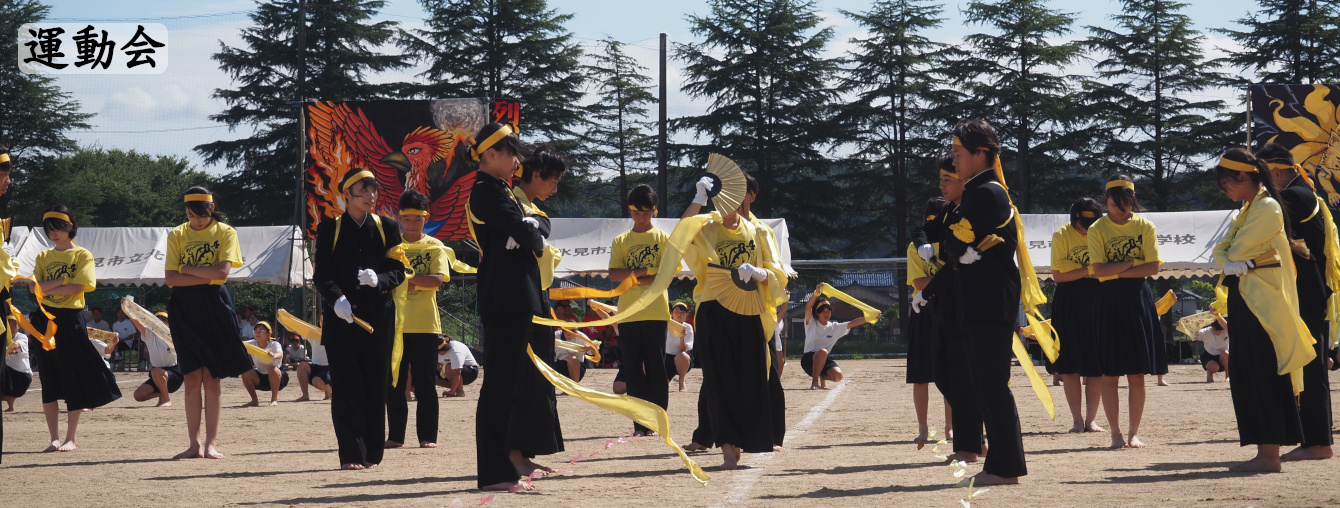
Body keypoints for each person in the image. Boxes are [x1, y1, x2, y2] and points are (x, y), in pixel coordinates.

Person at [915, 120, 1030, 485]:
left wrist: (953, 244)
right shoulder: (981, 192)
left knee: (993, 384)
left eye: (960, 154)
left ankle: (1005, 466)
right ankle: (998, 462)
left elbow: (952, 242)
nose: (955, 161)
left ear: (981, 154)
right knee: (984, 383)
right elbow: (953, 243)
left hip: (988, 300)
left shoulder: (987, 193)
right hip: (978, 299)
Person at [1211, 147, 1316, 472]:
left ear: (1244, 177)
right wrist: (1230, 261)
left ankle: (1269, 456)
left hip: (1264, 306)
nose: (1225, 189)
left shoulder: (1268, 207)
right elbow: (1220, 250)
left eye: (1227, 182)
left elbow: (1236, 247)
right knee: (1247, 374)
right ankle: (1263, 453)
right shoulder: (1247, 209)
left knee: (1264, 373)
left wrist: (1232, 259)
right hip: (1247, 299)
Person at [678, 171, 787, 470]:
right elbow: (680, 236)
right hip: (714, 310)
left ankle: (753, 439)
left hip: (750, 309)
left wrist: (762, 274)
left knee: (753, 378)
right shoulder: (706, 226)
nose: (729, 202)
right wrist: (697, 200)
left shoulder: (759, 231)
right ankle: (727, 448)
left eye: (735, 195)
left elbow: (776, 271)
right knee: (719, 380)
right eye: (721, 196)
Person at [468, 123, 556, 491]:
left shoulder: (500, 190)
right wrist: (527, 229)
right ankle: (494, 473)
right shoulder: (488, 191)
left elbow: (532, 232)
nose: (517, 160)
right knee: (499, 387)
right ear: (491, 154)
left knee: (509, 385)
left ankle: (502, 468)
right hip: (504, 298)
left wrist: (529, 226)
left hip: (515, 297)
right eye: (510, 152)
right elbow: (529, 237)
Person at [314, 169, 408, 471]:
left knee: (374, 385)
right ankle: (351, 454)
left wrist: (378, 279)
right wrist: (336, 297)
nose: (371, 196)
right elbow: (321, 275)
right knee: (346, 387)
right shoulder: (330, 228)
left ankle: (372, 452)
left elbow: (399, 270)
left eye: (374, 191)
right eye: (363, 191)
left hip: (378, 318)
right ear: (347, 194)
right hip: (341, 318)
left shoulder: (388, 227)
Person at [1258, 142, 1337, 462]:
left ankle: (1318, 442)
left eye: (1262, 175)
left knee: (1310, 366)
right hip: (1310, 290)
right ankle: (1314, 439)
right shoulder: (1304, 193)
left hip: (1304, 291)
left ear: (1275, 172)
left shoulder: (1291, 197)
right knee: (1309, 365)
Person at [164, 186, 253, 460]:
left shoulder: (226, 232)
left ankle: (211, 444)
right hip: (184, 308)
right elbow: (170, 278)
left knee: (212, 377)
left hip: (215, 305)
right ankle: (194, 444)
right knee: (191, 377)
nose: (196, 220)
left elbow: (222, 274)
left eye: (200, 214)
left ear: (211, 209)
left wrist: (187, 269)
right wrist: (205, 274)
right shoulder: (177, 233)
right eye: (191, 214)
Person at [30, 204, 122, 452]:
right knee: (48, 376)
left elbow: (79, 288)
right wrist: (63, 280)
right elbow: (33, 288)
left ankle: (71, 437)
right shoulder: (44, 256)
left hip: (70, 319)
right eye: (49, 229)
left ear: (70, 226)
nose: (53, 233)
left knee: (72, 375)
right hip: (45, 320)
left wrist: (50, 286)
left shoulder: (82, 255)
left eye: (57, 228)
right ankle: (53, 438)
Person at [1088, 175, 1163, 450]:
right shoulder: (1097, 228)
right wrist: (1133, 261)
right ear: (1105, 202)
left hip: (1138, 298)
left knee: (1136, 374)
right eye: (1115, 203)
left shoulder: (1145, 225)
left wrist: (1117, 268)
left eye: (1126, 203)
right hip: (1108, 301)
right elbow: (1099, 271)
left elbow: (1153, 268)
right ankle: (1115, 434)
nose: (1121, 209)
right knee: (1110, 374)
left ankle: (1133, 433)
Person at [386, 190, 453, 450]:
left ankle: (428, 436)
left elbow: (436, 280)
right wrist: (414, 282)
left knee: (426, 382)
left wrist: (405, 280)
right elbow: (385, 283)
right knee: (394, 383)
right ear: (399, 218)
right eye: (407, 218)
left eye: (417, 218)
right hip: (395, 324)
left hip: (425, 325)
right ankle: (396, 436)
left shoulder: (434, 246)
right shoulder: (392, 248)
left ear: (426, 218)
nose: (412, 224)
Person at [608, 184, 671, 436]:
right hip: (629, 313)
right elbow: (614, 275)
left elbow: (665, 277)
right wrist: (645, 271)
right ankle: (639, 425)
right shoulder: (621, 240)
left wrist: (633, 275)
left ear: (654, 211)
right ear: (629, 210)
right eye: (636, 212)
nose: (641, 217)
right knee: (633, 368)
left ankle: (657, 422)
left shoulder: (663, 239)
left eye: (646, 212)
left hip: (655, 311)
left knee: (656, 367)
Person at [1049, 198, 1106, 433]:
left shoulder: (1103, 232)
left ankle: (1091, 419)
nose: (1086, 228)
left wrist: (1077, 269)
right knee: (1069, 363)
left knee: (1097, 364)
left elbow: (1111, 268)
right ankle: (1076, 419)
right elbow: (1058, 275)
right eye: (1082, 224)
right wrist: (1092, 269)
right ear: (1073, 220)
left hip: (1099, 298)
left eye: (1091, 223)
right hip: (1069, 301)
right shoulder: (1061, 235)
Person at [906, 196, 954, 445]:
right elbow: (919, 283)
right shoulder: (917, 246)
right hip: (924, 310)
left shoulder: (953, 240)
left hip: (949, 308)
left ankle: (950, 428)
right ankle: (923, 428)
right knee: (921, 374)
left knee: (952, 372)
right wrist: (947, 280)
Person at [802, 293, 866, 390]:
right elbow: (808, 308)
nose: (826, 313)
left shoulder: (834, 327)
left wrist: (869, 318)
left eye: (828, 311)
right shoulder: (811, 323)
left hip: (824, 359)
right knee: (823, 351)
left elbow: (852, 323)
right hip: (808, 360)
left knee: (838, 375)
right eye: (823, 311)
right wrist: (816, 293)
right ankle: (815, 382)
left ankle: (822, 377)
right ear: (817, 313)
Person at [128, 309, 184, 407]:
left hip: (174, 374)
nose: (161, 322)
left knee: (156, 371)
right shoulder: (149, 334)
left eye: (164, 320)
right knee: (138, 395)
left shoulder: (173, 335)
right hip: (157, 374)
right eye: (158, 320)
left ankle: (166, 400)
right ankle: (162, 393)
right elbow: (136, 321)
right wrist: (128, 307)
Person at [241, 321, 287, 407]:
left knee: (272, 369)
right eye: (256, 331)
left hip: (278, 377)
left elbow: (280, 354)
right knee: (246, 373)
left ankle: (274, 399)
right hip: (260, 378)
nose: (258, 332)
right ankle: (254, 400)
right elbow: (239, 345)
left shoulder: (274, 344)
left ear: (269, 334)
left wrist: (274, 355)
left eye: (261, 330)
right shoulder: (252, 344)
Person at [667, 302, 695, 392]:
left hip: (681, 359)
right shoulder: (666, 325)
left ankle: (681, 381)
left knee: (682, 355)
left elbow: (683, 349)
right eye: (677, 311)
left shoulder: (688, 327)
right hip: (666, 358)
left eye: (683, 312)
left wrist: (682, 336)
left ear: (687, 314)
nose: (679, 314)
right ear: (671, 313)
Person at [3, 323, 32, 412]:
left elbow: (17, 344)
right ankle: (10, 403)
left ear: (18, 326)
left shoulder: (22, 337)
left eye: (14, 325)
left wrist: (9, 348)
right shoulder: (2, 337)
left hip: (22, 378)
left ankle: (9, 399)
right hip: (9, 375)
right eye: (8, 325)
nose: (11, 328)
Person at [294, 336, 332, 402]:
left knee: (317, 382)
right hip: (315, 366)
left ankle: (329, 389)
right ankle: (305, 395)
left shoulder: (335, 335)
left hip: (329, 368)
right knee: (302, 366)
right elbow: (299, 330)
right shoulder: (313, 334)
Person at [1198, 317, 1230, 383]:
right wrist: (1181, 326)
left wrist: (1217, 315)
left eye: (1220, 330)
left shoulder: (1227, 330)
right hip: (1209, 355)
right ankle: (1209, 375)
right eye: (1215, 330)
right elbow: (1192, 332)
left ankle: (1228, 376)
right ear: (1211, 326)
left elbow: (1227, 325)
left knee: (1225, 353)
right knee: (1213, 366)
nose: (1218, 332)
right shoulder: (1205, 332)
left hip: (1223, 357)